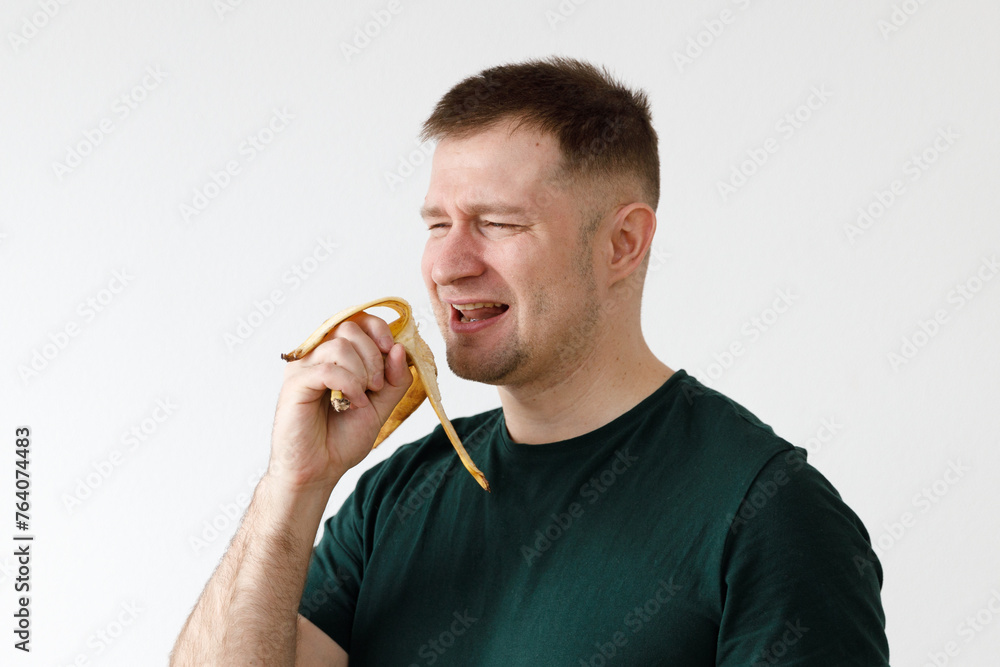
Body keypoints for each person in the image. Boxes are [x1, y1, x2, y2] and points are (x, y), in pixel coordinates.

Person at [171, 56, 890, 665]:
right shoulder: (392, 499)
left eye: (497, 223)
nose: (448, 264)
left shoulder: (765, 513)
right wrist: (292, 487)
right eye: (437, 225)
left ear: (622, 244)